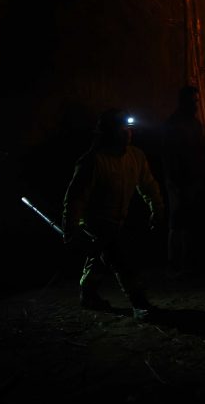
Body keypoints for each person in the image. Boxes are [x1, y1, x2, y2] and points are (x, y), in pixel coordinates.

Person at [63, 108, 166, 320]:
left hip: (118, 219)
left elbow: (148, 185)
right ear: (108, 132)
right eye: (121, 129)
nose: (127, 133)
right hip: (95, 222)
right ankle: (139, 304)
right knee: (120, 259)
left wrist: (157, 209)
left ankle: (88, 294)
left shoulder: (135, 156)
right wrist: (71, 227)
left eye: (128, 128)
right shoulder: (93, 161)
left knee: (100, 259)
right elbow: (76, 197)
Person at [161, 85, 205, 275]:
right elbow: (169, 154)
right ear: (185, 101)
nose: (196, 103)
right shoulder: (174, 123)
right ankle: (174, 261)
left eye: (197, 100)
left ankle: (186, 260)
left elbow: (199, 151)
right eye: (194, 100)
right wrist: (173, 180)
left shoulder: (194, 123)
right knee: (177, 221)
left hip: (192, 179)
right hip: (178, 181)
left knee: (188, 221)